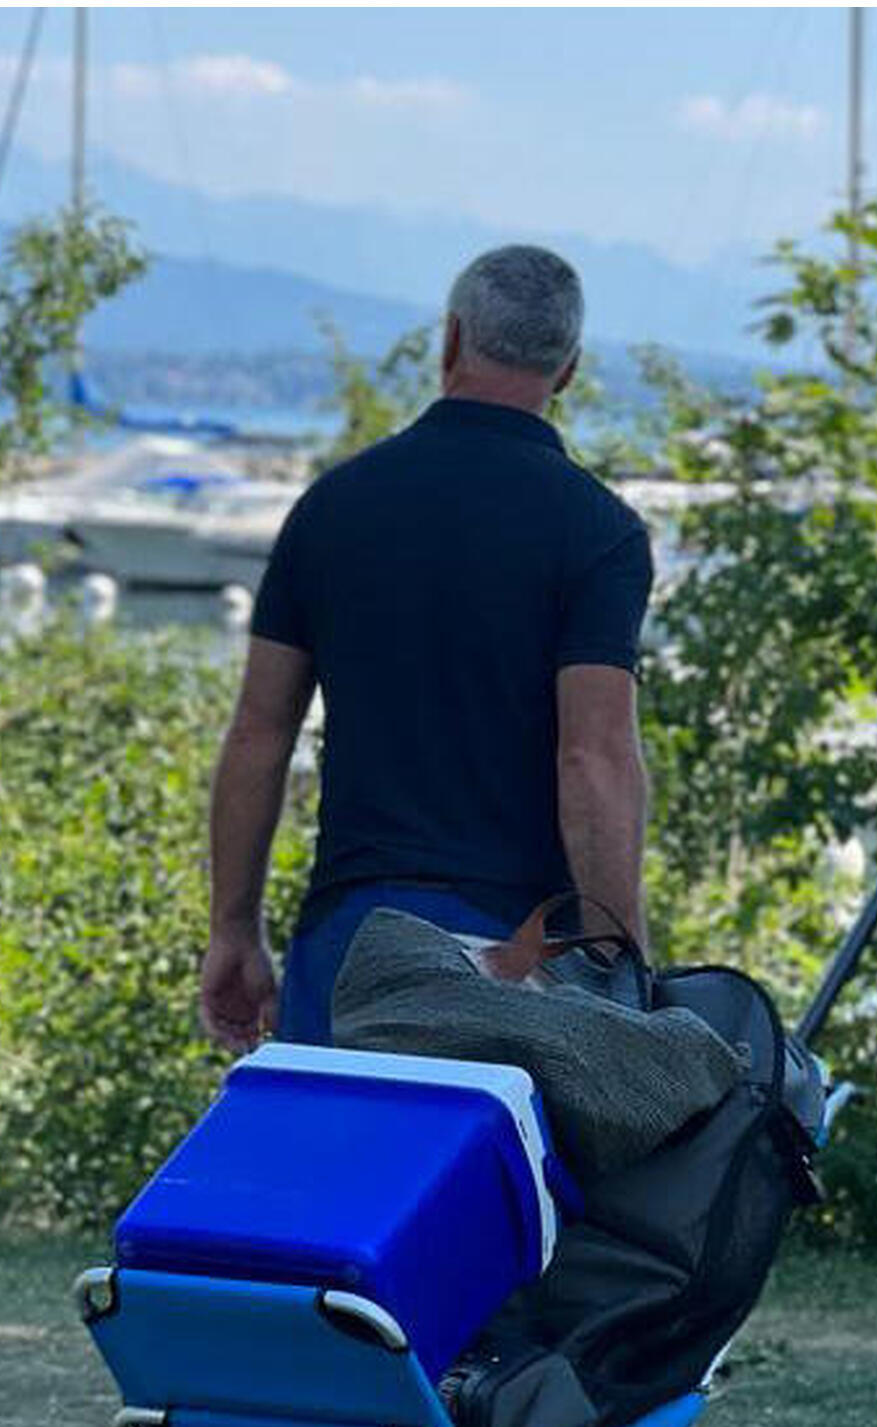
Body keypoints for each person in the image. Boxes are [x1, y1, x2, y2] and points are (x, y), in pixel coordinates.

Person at [198, 242, 655, 1062]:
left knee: (336, 1185)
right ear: (570, 371)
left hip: (350, 939)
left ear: (450, 342)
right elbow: (594, 758)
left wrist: (235, 928)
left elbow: (258, 735)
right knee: (494, 1191)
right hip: (518, 957)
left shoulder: (333, 507)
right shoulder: (598, 532)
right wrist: (624, 968)